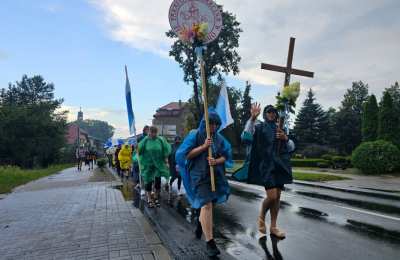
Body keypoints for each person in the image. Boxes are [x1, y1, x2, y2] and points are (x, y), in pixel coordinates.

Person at [176, 110, 233, 257]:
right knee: (206, 204)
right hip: (199, 176)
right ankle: (210, 242)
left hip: (214, 176)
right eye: (211, 123)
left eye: (216, 124)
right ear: (205, 123)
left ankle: (201, 225)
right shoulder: (195, 135)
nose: (213, 126)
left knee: (208, 205)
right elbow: (185, 155)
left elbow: (225, 157)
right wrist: (203, 147)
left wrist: (216, 161)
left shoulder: (219, 139)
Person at [246, 103, 293, 239]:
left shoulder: (282, 128)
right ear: (265, 114)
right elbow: (247, 134)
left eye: (273, 112)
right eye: (268, 112)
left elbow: (291, 146)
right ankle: (261, 216)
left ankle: (273, 227)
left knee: (277, 197)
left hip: (280, 166)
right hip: (267, 166)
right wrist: (252, 118)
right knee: (272, 196)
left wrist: (286, 138)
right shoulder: (259, 127)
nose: (271, 114)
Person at [138, 126, 171, 208]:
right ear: (149, 132)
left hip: (158, 165)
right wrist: (137, 147)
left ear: (156, 133)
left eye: (154, 133)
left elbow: (165, 150)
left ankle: (156, 197)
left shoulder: (160, 140)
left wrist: (166, 161)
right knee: (148, 182)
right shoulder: (145, 140)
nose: (152, 134)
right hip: (148, 165)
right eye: (151, 132)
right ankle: (149, 198)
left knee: (157, 182)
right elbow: (139, 151)